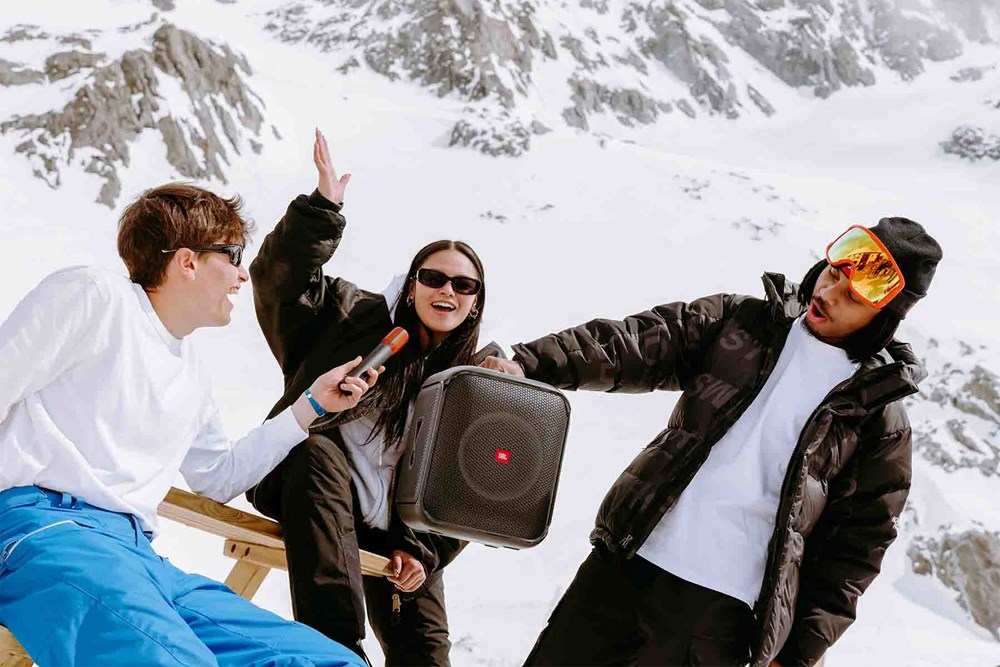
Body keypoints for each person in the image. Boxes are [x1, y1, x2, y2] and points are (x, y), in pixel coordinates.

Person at [482, 219, 943, 667]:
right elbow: (634, 343)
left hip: (718, 618)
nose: (828, 293)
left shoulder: (877, 413)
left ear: (885, 316)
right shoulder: (742, 323)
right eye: (833, 273)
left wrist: (797, 654)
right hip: (626, 562)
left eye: (853, 296)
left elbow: (858, 547)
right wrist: (528, 365)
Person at [0, 183, 381, 666]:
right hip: (48, 530)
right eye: (233, 255)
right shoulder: (94, 296)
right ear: (187, 262)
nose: (241, 275)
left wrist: (311, 405)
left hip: (139, 558)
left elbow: (218, 477)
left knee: (331, 662)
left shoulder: (191, 373)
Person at [247, 129, 499, 666]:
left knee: (424, 653)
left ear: (475, 303)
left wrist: (425, 552)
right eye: (433, 278)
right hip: (319, 497)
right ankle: (335, 656)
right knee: (315, 450)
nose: (447, 290)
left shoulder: (471, 382)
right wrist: (322, 209)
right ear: (411, 286)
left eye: (463, 285)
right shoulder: (350, 316)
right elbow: (279, 280)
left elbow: (469, 491)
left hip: (399, 533)